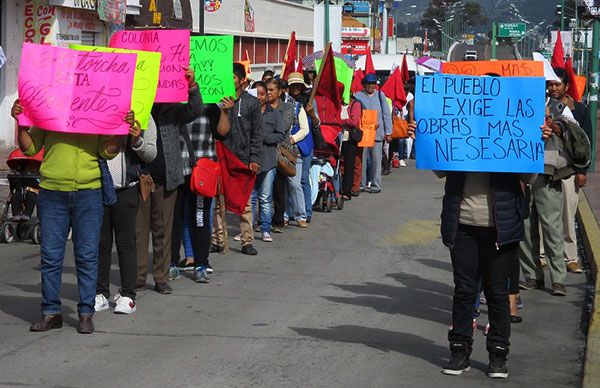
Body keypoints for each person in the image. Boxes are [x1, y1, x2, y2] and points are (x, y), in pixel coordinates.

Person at [12, 99, 132, 334]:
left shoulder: (95, 108)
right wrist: (20, 121)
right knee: (50, 256)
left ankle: (86, 313)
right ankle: (51, 312)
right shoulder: (50, 108)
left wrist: (119, 130)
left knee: (87, 255)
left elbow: (107, 152)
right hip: (52, 193)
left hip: (88, 193)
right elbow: (30, 148)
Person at [136, 68, 203, 294]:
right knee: (139, 229)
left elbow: (195, 109)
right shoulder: (136, 108)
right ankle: (137, 276)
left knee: (162, 230)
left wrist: (192, 86)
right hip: (140, 177)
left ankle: (161, 276)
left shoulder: (173, 110)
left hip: (167, 178)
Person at [95, 116, 157, 314]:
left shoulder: (143, 112)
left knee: (126, 242)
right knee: (100, 242)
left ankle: (128, 295)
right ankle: (100, 293)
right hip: (98, 187)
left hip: (126, 188)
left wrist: (137, 140)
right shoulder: (98, 106)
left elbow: (151, 154)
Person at [518, 95, 578, 296]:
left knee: (552, 227)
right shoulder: (516, 100)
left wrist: (554, 127)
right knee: (525, 229)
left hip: (547, 174)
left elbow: (574, 134)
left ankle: (558, 279)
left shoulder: (559, 107)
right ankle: (532, 276)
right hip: (523, 172)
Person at [211, 62, 264, 256]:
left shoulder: (252, 103)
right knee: (218, 200)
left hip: (243, 159)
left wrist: (255, 157)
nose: (229, 80)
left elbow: (258, 133)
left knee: (245, 202)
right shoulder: (217, 101)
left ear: (242, 81)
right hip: (222, 156)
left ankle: (247, 241)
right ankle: (217, 239)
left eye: (233, 77)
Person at [547, 67, 592, 274]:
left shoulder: (579, 110)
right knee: (543, 215)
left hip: (568, 170)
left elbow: (585, 142)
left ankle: (570, 257)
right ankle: (541, 257)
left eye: (558, 84)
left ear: (566, 86)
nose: (553, 88)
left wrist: (582, 170)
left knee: (567, 214)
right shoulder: (540, 105)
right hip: (544, 168)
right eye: (550, 84)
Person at [251, 80, 286, 242]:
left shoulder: (274, 114)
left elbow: (280, 135)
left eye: (262, 94)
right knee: (249, 198)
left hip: (267, 161)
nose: (259, 97)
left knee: (265, 198)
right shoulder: (247, 112)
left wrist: (264, 138)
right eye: (256, 94)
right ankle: (247, 229)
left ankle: (265, 229)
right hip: (250, 160)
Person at [287, 71, 319, 223]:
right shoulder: (284, 100)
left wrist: (312, 114)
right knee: (288, 178)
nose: (295, 88)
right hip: (287, 146)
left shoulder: (309, 101)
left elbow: (317, 123)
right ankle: (291, 211)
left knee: (303, 179)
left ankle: (306, 211)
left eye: (297, 85)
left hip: (305, 144)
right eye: (292, 85)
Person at [354, 73, 392, 194]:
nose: (371, 86)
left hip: (377, 134)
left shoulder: (381, 95)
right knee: (362, 160)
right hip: (363, 134)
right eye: (369, 83)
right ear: (364, 84)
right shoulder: (358, 96)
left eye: (373, 83)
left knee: (376, 160)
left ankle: (376, 185)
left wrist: (388, 132)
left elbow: (386, 114)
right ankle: (362, 183)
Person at [284, 72, 313, 228]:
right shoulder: (277, 105)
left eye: (298, 85)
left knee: (298, 183)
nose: (294, 88)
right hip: (279, 150)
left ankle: (303, 214)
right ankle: (284, 214)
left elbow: (306, 129)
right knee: (283, 185)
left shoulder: (302, 105)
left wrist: (292, 139)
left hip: (299, 148)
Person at [269, 79, 295, 233]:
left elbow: (283, 127)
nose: (269, 93)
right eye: (268, 90)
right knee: (264, 188)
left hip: (280, 152)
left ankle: (278, 220)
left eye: (272, 90)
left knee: (279, 188)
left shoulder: (287, 108)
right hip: (265, 151)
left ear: (280, 92)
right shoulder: (262, 107)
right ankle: (263, 219)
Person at [340, 94, 363, 200]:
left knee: (349, 165)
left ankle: (347, 191)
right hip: (337, 138)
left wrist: (338, 121)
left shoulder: (355, 104)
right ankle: (338, 188)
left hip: (349, 139)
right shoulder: (338, 104)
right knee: (338, 166)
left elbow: (353, 121)